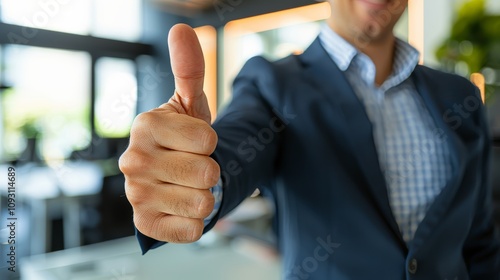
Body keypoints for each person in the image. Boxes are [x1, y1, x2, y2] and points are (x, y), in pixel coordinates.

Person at [118, 0, 500, 278]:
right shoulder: (274, 83)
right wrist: (189, 174)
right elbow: (236, 151)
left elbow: (480, 236)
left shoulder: (460, 96)